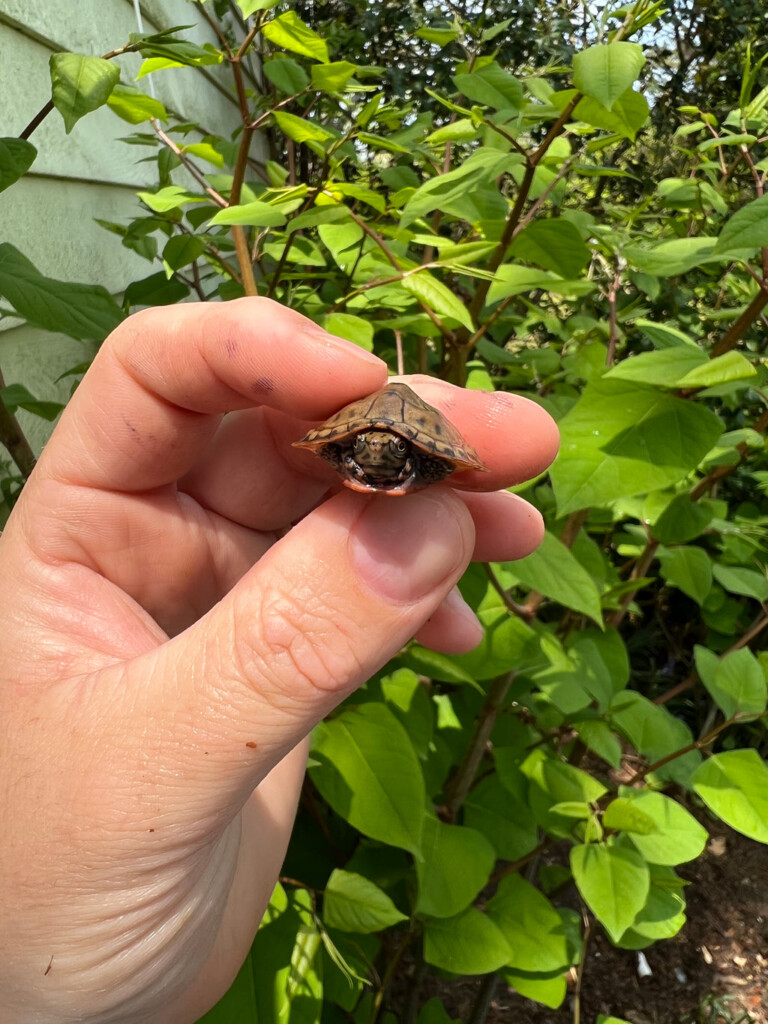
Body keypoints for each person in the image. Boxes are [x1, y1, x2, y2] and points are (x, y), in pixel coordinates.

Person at [0, 298, 559, 1023]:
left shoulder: (413, 463)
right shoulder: (346, 449)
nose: (381, 455)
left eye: (393, 453)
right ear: (358, 448)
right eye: (373, 450)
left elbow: (449, 457)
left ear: (409, 458)